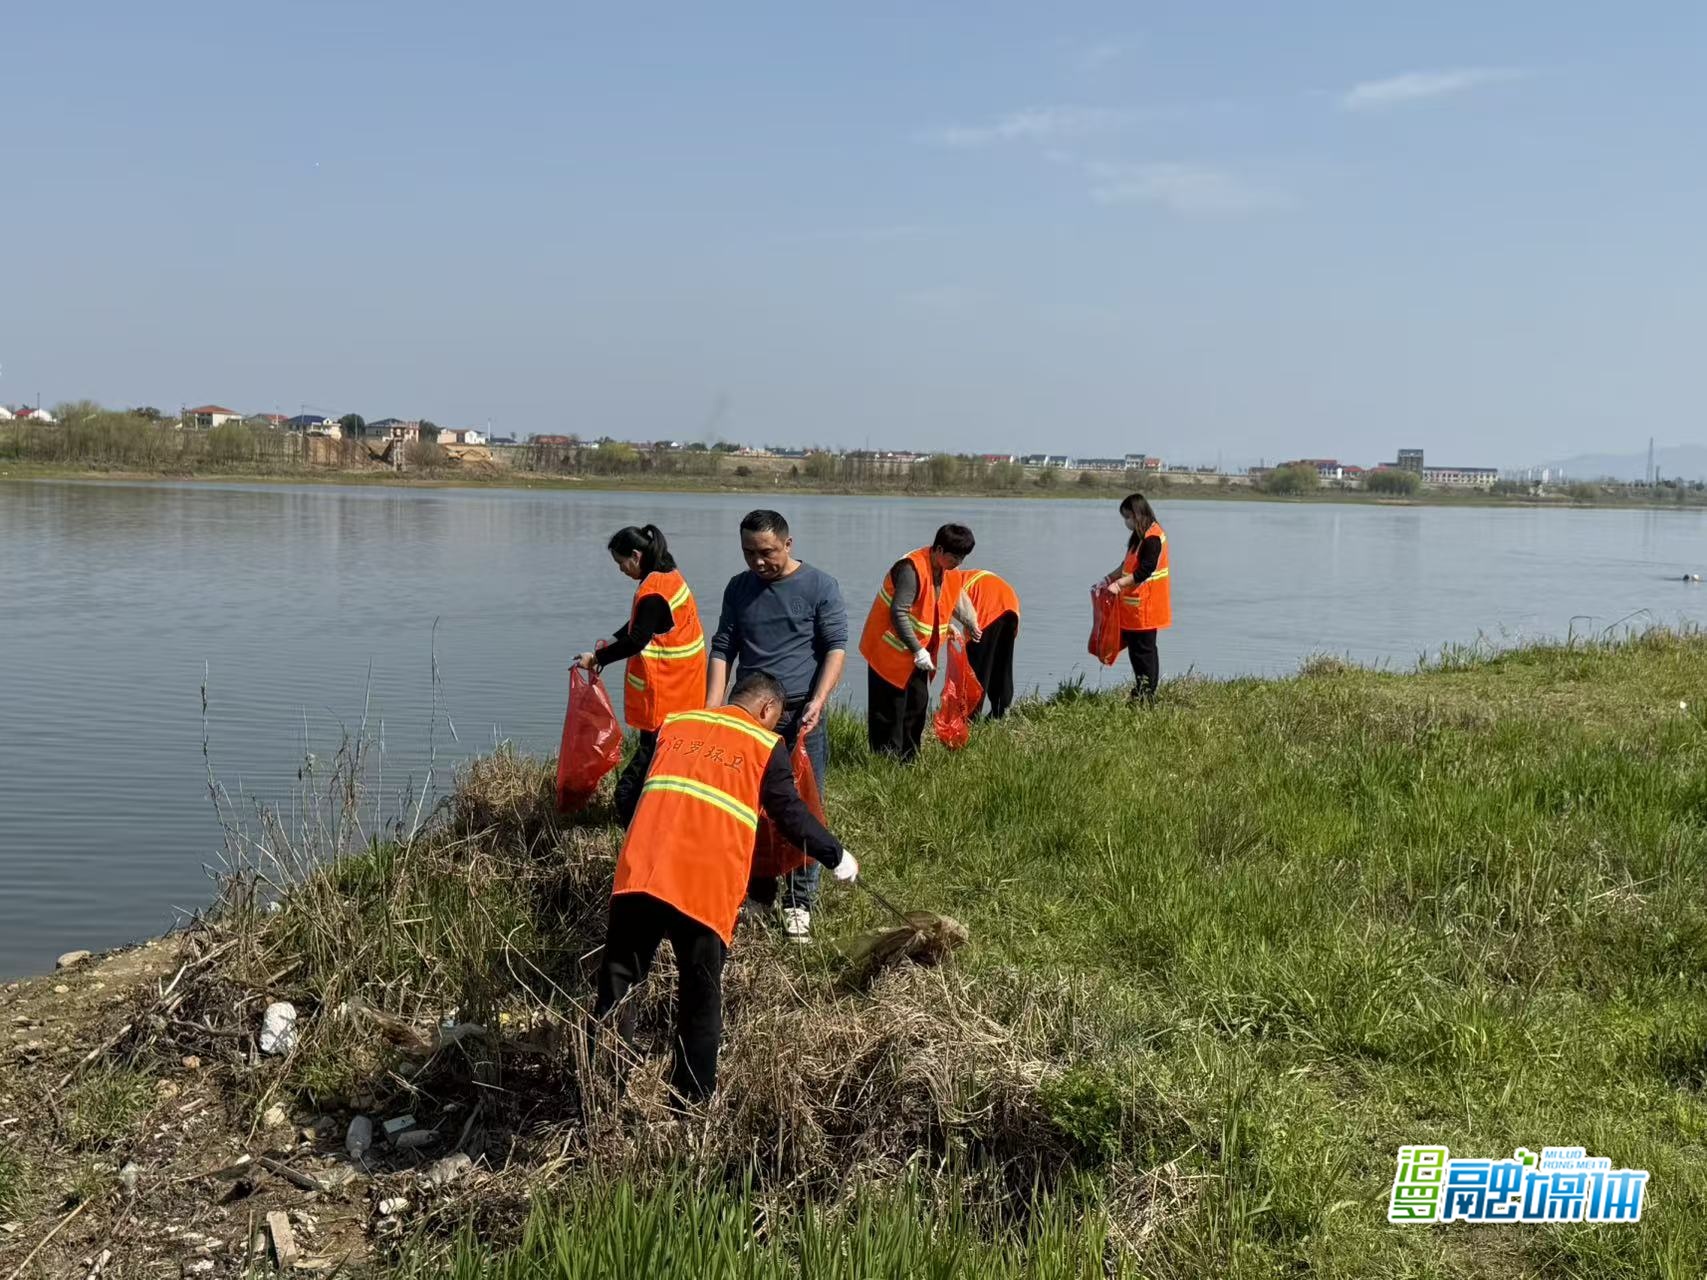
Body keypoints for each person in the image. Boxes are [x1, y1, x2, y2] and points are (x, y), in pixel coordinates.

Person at [590, 672, 857, 1103]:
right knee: (699, 996)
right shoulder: (764, 745)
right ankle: (690, 1104)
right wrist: (836, 855)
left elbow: (626, 796)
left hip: (640, 874)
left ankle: (602, 1092)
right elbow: (790, 815)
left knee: (619, 985)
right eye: (774, 718)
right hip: (701, 888)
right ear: (767, 710)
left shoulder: (675, 724)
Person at [706, 510, 848, 940]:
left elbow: (835, 648)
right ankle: (753, 891)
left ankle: (799, 902)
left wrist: (819, 700)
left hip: (799, 717)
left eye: (766, 552)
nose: (757, 561)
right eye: (748, 552)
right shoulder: (739, 587)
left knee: (800, 807)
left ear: (787, 544)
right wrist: (713, 708)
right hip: (747, 718)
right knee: (747, 807)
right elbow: (723, 647)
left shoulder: (820, 586)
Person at [574, 525, 707, 826]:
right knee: (667, 762)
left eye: (622, 563)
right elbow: (642, 625)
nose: (621, 570)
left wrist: (597, 658)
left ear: (636, 556)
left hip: (665, 696)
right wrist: (610, 641)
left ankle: (634, 827)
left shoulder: (653, 593)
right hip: (687, 689)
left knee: (631, 787)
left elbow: (637, 639)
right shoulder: (670, 576)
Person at [860, 524, 979, 761]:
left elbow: (945, 602)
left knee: (916, 707)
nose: (959, 562)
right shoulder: (910, 569)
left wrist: (961, 625)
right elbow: (899, 613)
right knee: (889, 712)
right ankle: (885, 764)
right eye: (955, 556)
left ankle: (909, 761)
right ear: (938, 549)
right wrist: (917, 650)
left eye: (963, 557)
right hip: (889, 653)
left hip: (917, 656)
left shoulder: (949, 572)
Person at [1100, 494, 1171, 701]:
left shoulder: (1153, 538)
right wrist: (1108, 578)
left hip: (1146, 608)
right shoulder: (1139, 537)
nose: (1126, 522)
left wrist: (1118, 585)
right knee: (1137, 653)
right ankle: (1141, 691)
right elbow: (1127, 565)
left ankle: (1146, 695)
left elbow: (1144, 571)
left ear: (1137, 515)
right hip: (1133, 609)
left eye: (1128, 517)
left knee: (1144, 654)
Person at [956, 568, 1020, 719]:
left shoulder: (948, 583)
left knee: (977, 670)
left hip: (987, 609)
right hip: (1011, 606)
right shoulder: (968, 577)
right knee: (1002, 664)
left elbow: (948, 613)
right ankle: (1000, 712)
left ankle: (970, 717)